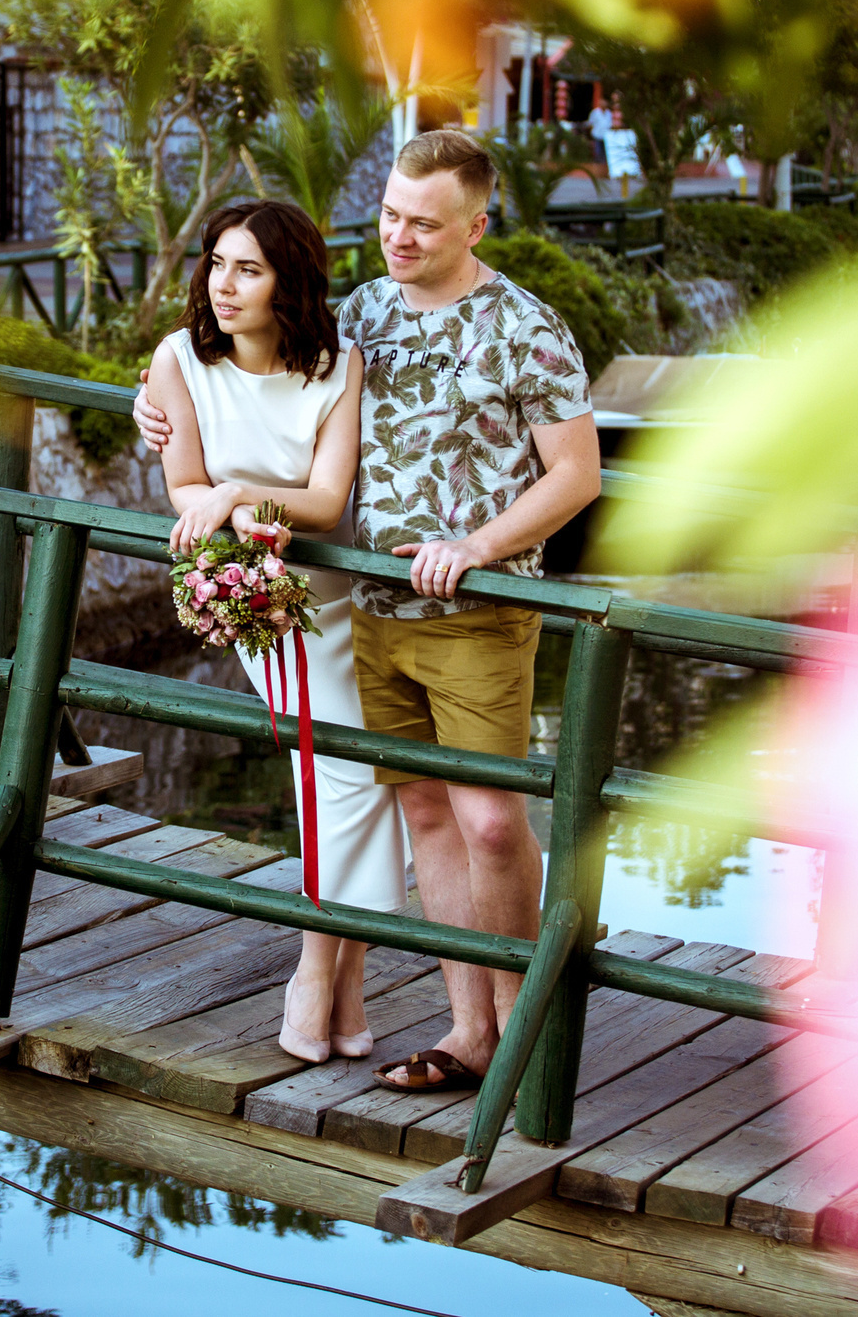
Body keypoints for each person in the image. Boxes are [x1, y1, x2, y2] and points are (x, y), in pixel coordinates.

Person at [137, 129, 601, 1093]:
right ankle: (469, 1034)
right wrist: (148, 403)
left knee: (491, 822)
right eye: (389, 214)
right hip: (374, 609)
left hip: (476, 608)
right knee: (425, 812)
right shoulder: (361, 315)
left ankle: (522, 1029)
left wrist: (479, 547)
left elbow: (578, 476)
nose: (397, 236)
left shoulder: (528, 327)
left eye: (423, 223)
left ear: (477, 226)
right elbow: (256, 370)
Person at [149, 197, 405, 1064]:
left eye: (249, 270)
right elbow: (184, 482)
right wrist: (229, 510)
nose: (224, 286)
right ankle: (316, 975)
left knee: (365, 781)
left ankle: (340, 982)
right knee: (345, 777)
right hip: (267, 595)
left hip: (346, 593)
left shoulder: (340, 367)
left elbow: (326, 503)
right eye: (217, 264)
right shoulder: (179, 360)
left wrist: (236, 493)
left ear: (288, 281)